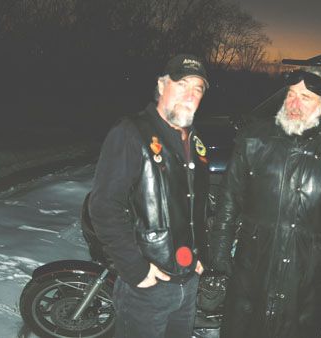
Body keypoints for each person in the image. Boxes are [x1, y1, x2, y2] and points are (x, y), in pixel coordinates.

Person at [209, 66, 321, 338]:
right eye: (291, 94)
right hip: (252, 270)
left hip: (307, 279)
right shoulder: (252, 139)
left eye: (305, 97)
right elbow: (229, 200)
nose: (294, 103)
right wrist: (219, 255)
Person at [88, 53, 210, 338]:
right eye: (182, 84)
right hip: (147, 286)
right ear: (161, 85)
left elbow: (196, 207)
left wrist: (201, 252)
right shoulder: (131, 132)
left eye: (198, 88)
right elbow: (104, 206)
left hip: (188, 282)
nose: (190, 95)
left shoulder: (196, 141)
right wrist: (136, 268)